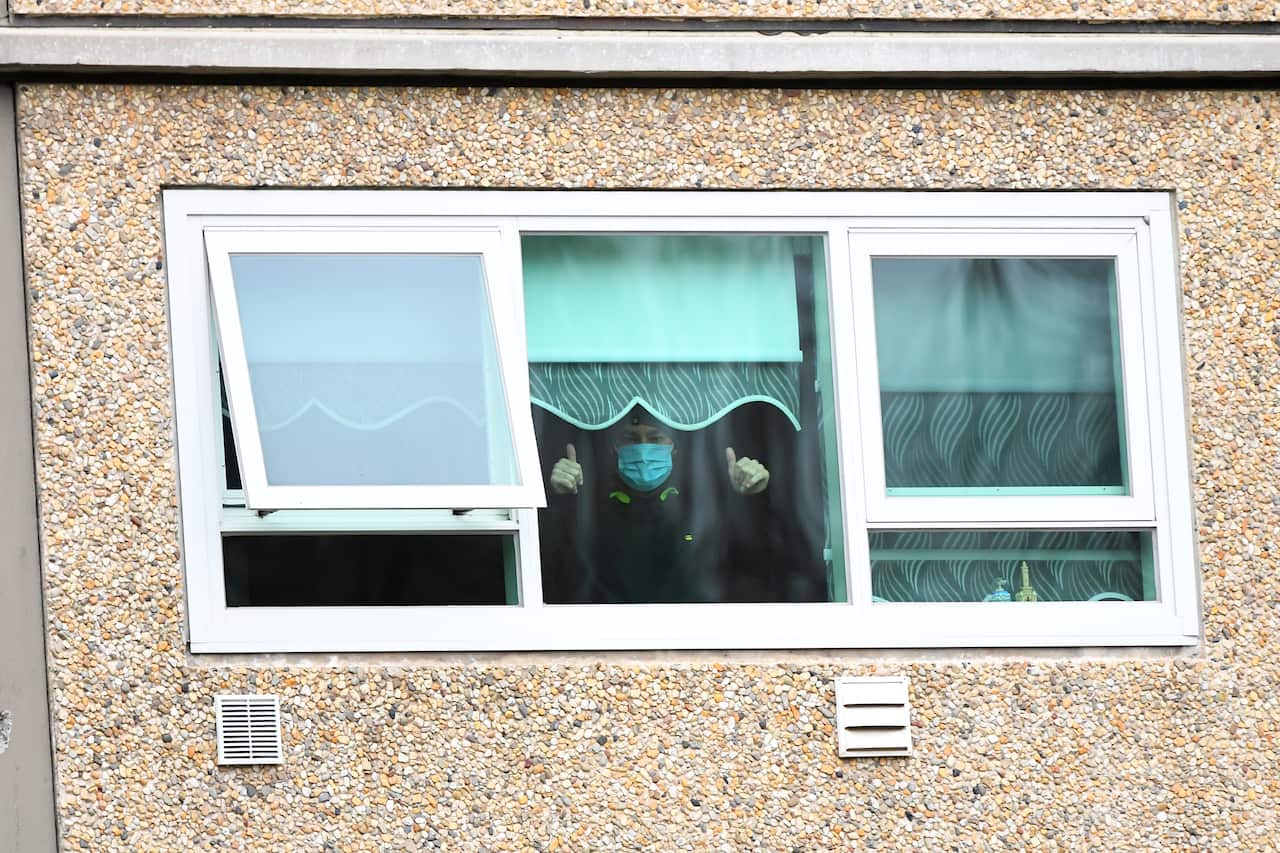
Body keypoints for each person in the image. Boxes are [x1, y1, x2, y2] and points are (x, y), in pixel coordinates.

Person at [538, 408, 771, 604]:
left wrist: (749, 499)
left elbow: (752, 568)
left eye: (656, 439)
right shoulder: (590, 505)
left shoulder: (700, 502)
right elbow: (555, 571)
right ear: (613, 449)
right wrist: (559, 500)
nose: (643, 450)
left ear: (675, 448)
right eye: (630, 439)